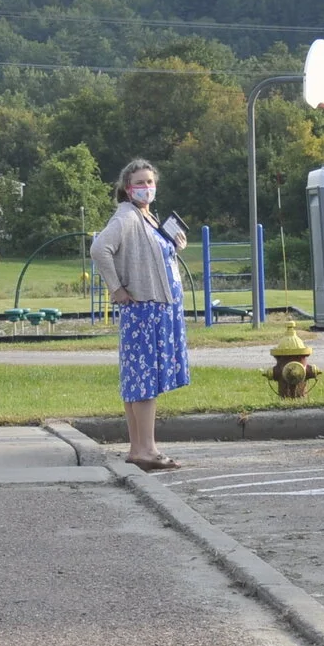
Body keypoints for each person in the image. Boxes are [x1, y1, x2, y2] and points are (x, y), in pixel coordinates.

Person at [91, 157, 189, 471]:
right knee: (144, 380)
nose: (146, 187)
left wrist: (174, 246)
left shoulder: (147, 217)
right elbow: (100, 249)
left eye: (150, 182)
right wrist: (116, 288)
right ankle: (147, 449)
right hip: (145, 310)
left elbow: (150, 255)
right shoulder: (128, 216)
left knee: (139, 380)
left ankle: (138, 449)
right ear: (126, 188)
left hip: (157, 309)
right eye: (139, 183)